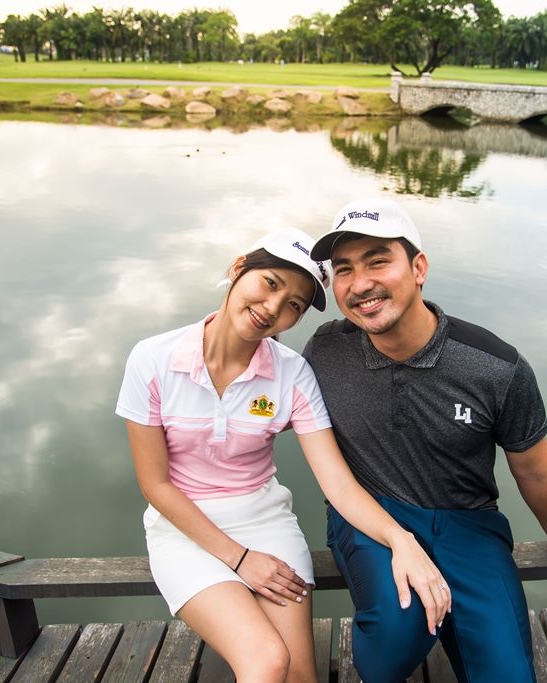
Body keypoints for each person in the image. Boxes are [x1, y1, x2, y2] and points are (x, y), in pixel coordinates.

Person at [115, 228, 451, 683]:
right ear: (239, 269)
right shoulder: (152, 359)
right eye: (270, 283)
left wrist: (400, 539)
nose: (273, 308)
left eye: (293, 304)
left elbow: (337, 482)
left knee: (298, 674)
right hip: (183, 529)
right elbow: (155, 485)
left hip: (265, 522)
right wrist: (240, 559)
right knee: (267, 659)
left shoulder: (292, 374)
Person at [303, 199, 547, 683]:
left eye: (378, 261)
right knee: (392, 644)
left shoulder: (495, 366)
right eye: (344, 270)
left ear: (419, 268)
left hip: (467, 522)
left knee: (508, 675)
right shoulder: (326, 349)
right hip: (369, 514)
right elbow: (264, 394)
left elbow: (535, 467)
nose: (359, 284)